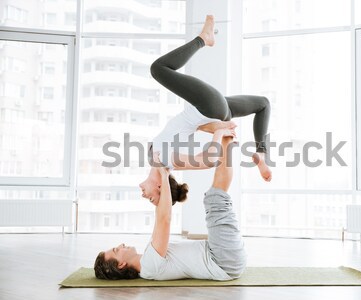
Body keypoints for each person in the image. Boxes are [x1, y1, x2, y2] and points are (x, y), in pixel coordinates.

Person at [139, 15, 272, 206]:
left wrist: (211, 128)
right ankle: (204, 39)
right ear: (160, 187)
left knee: (263, 104)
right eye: (152, 198)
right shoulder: (165, 161)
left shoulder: (157, 160)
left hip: (213, 111)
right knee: (158, 69)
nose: (145, 196)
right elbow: (208, 161)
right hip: (207, 108)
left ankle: (262, 154)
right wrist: (218, 133)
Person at [94, 135, 247, 281]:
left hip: (220, 254)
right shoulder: (149, 266)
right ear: (121, 265)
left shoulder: (149, 257)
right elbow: (164, 219)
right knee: (215, 199)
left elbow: (160, 216)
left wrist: (159, 190)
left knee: (214, 198)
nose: (120, 245)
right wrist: (163, 174)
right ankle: (227, 137)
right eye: (116, 250)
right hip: (223, 260)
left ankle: (227, 139)